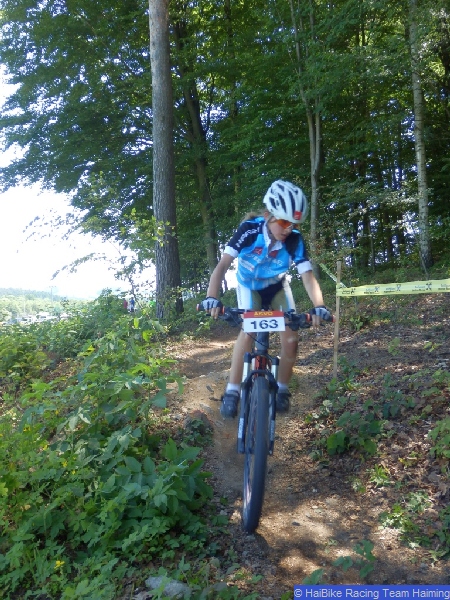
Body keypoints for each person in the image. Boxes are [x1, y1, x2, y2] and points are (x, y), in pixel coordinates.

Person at [200, 179, 331, 419]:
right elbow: (222, 266)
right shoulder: (249, 231)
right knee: (247, 332)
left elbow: (308, 276)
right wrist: (211, 298)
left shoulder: (294, 240)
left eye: (294, 224)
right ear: (268, 215)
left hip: (277, 287)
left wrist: (319, 306)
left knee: (291, 339)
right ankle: (232, 391)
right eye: (284, 222)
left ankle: (282, 388)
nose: (288, 228)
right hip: (249, 287)